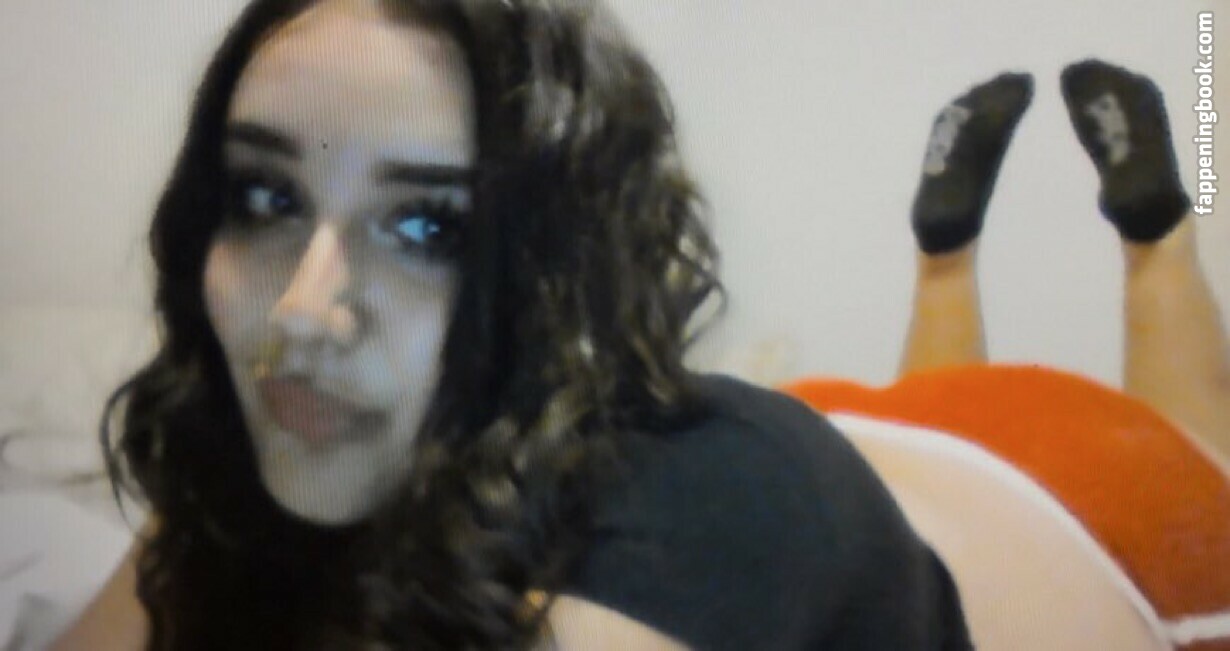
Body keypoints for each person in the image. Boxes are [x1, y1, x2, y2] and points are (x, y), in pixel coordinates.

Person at [52, 0, 972, 649]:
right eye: (266, 197)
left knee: (960, 410)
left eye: (428, 228)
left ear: (558, 270)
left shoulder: (699, 493)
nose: (301, 310)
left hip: (1003, 524)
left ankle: (955, 255)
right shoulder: (267, 452)